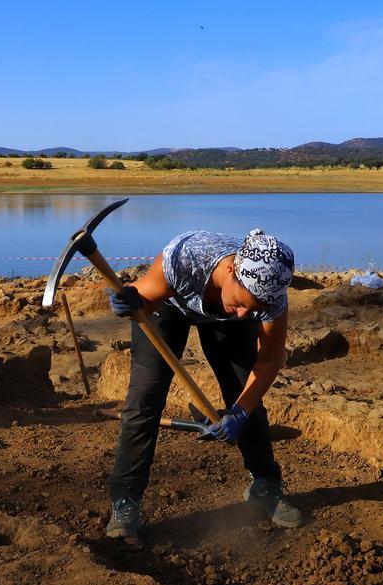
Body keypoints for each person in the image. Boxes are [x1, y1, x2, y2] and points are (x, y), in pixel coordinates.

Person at [103, 228, 303, 539]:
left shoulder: (269, 297)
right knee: (144, 400)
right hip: (170, 307)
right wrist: (130, 304)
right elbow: (145, 300)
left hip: (217, 318)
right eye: (241, 302)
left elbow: (269, 361)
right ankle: (126, 500)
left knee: (245, 395)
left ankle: (265, 485)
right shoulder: (185, 257)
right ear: (230, 270)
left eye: (253, 310)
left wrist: (240, 410)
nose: (242, 314)